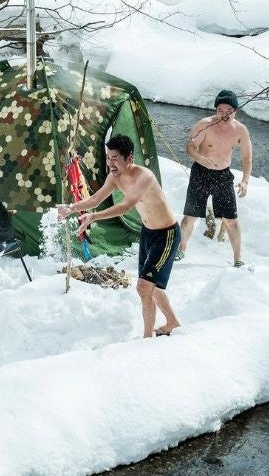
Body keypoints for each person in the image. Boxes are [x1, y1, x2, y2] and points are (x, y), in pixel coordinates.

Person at [60, 134, 184, 337]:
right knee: (151, 286)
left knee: (144, 286)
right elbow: (95, 199)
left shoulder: (144, 177)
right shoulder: (114, 177)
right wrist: (71, 208)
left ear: (130, 159)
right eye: (108, 158)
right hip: (148, 233)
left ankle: (147, 339)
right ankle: (172, 321)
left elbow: (126, 207)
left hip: (166, 234)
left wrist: (94, 217)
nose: (110, 163)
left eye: (115, 158)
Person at [180, 89, 253, 268]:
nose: (224, 114)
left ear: (235, 110)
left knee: (231, 220)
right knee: (190, 216)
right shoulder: (204, 125)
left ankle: (238, 259)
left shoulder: (240, 130)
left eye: (228, 110)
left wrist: (245, 180)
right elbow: (190, 147)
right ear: (216, 110)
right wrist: (201, 158)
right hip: (201, 174)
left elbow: (247, 157)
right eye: (220, 110)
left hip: (223, 176)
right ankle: (181, 250)